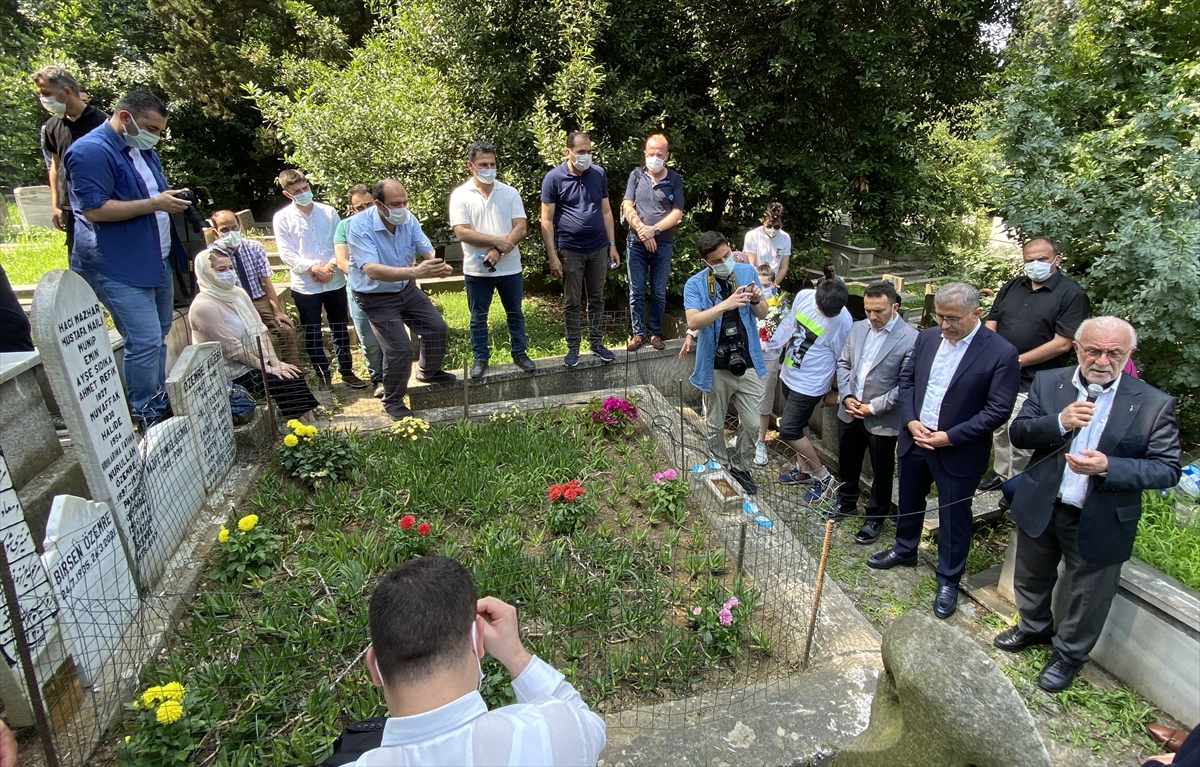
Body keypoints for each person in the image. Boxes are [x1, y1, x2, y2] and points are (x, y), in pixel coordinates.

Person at [995, 316, 1180, 692]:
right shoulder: (1050, 383)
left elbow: (1167, 469)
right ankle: (1032, 627)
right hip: (1044, 501)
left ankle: (1068, 656)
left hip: (1099, 515)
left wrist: (1110, 466)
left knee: (1089, 595)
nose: (1101, 360)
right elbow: (1019, 433)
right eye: (1093, 350)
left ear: (1128, 354)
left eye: (1114, 353)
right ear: (1077, 348)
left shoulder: (1153, 403)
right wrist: (1059, 422)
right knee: (1031, 574)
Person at [355, 556, 606, 766]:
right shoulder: (551, 735)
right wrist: (516, 655)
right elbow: (588, 726)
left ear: (373, 667)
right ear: (477, 639)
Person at [867, 283, 1020, 619]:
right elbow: (907, 382)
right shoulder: (926, 338)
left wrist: (950, 437)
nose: (946, 325)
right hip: (916, 437)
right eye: (940, 317)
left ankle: (949, 577)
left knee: (953, 515)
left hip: (958, 448)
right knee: (908, 498)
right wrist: (909, 422)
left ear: (976, 313)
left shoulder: (1000, 352)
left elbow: (997, 410)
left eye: (954, 319)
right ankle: (905, 548)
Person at [63, 89, 193, 427]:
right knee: (144, 339)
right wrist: (155, 204)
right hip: (117, 265)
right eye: (151, 127)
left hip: (156, 257)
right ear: (125, 117)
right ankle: (145, 410)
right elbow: (93, 209)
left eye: (161, 131)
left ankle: (156, 396)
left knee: (160, 334)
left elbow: (150, 193)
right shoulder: (90, 151)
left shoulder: (142, 149)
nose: (156, 136)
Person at [981, 236, 1089, 499]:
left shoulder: (1071, 295)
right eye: (1029, 260)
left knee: (1023, 436)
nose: (1035, 265)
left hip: (1037, 380)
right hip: (1000, 376)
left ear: (1056, 259)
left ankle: (1018, 488)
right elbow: (992, 320)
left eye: (1042, 259)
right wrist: (994, 356)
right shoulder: (1012, 286)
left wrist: (1014, 361)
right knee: (1000, 429)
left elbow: (1063, 343)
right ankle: (1001, 475)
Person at [346, 179, 456, 421]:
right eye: (396, 203)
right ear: (378, 204)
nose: (402, 208)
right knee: (399, 349)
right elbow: (372, 269)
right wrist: (417, 272)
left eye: (405, 202)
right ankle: (392, 401)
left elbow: (426, 248)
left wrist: (437, 264)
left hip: (405, 288)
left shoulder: (408, 218)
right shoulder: (357, 226)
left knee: (435, 327)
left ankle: (428, 371)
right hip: (374, 295)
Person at [683, 231, 769, 495]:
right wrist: (725, 304)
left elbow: (763, 312)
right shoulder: (695, 284)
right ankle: (719, 463)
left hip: (748, 360)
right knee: (715, 421)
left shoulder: (746, 272)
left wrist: (755, 299)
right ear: (706, 262)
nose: (725, 261)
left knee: (753, 423)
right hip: (715, 365)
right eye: (717, 260)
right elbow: (693, 321)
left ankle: (741, 466)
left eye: (727, 255)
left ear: (731, 249)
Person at [188, 249, 319, 421]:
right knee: (280, 380)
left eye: (230, 268)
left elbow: (259, 329)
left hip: (254, 361)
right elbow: (233, 350)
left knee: (292, 372)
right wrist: (267, 368)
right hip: (229, 371)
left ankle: (312, 424)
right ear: (206, 272)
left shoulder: (238, 293)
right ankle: (302, 428)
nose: (228, 273)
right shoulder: (203, 306)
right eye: (221, 270)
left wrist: (275, 361)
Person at [834, 282, 919, 544]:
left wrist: (872, 407)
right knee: (847, 461)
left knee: (881, 470)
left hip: (882, 417)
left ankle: (875, 517)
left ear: (895, 307)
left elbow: (905, 383)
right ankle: (846, 501)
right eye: (868, 310)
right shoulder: (858, 328)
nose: (872, 316)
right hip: (850, 409)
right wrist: (846, 396)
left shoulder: (911, 338)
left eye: (878, 311)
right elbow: (844, 363)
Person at [449, 141, 536, 379]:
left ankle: (520, 353)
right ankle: (480, 358)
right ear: (471, 166)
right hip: (477, 271)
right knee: (478, 317)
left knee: (515, 313)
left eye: (492, 164)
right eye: (483, 165)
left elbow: (521, 227)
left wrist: (499, 250)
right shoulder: (460, 196)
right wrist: (497, 241)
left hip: (510, 268)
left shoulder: (509, 192)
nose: (489, 169)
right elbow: (462, 232)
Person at [272, 169, 363, 388]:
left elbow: (340, 242)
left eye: (305, 188)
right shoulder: (282, 218)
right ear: (287, 194)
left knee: (339, 327)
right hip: (305, 285)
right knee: (312, 332)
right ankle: (324, 376)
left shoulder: (328, 212)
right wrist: (312, 267)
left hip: (334, 279)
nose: (303, 193)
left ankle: (347, 371)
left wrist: (331, 265)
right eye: (297, 191)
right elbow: (287, 253)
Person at [540, 131, 620, 367]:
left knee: (596, 298)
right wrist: (552, 255)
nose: (586, 156)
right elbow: (546, 220)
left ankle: (596, 343)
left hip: (598, 248)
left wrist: (612, 244)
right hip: (570, 250)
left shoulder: (598, 174)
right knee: (572, 301)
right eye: (581, 152)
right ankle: (573, 347)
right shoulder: (554, 178)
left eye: (589, 151)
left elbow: (606, 211)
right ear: (568, 152)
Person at [772, 279, 853, 503]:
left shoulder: (843, 322)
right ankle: (803, 468)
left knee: (788, 429)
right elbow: (791, 324)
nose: (827, 316)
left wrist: (836, 390)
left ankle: (822, 476)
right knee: (800, 425)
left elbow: (844, 359)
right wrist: (774, 342)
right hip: (790, 371)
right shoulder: (804, 296)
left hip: (811, 383)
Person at [208, 210, 301, 368]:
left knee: (285, 329)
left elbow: (265, 281)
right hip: (232, 302)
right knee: (246, 337)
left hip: (258, 299)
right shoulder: (212, 254)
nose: (231, 233)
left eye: (234, 227)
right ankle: (263, 375)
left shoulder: (254, 247)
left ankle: (292, 372)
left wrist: (277, 311)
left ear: (240, 227)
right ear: (215, 232)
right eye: (225, 230)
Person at [31, 65, 107, 257]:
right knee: (79, 263)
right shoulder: (51, 126)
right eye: (40, 95)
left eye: (46, 93)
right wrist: (56, 205)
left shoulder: (103, 123)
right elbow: (55, 166)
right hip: (70, 209)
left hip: (102, 205)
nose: (43, 99)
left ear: (66, 92)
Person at [622, 133, 685, 352]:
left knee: (658, 291)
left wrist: (654, 230)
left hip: (664, 244)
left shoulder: (674, 179)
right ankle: (638, 333)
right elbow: (627, 205)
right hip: (636, 243)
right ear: (645, 154)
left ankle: (655, 332)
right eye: (651, 153)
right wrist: (642, 231)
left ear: (667, 155)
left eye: (659, 154)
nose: (655, 157)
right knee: (636, 291)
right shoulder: (636, 175)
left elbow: (677, 212)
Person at [334, 185, 385, 398]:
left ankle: (394, 376)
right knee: (368, 340)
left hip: (387, 289)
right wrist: (363, 276)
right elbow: (341, 260)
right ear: (351, 209)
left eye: (368, 205)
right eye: (358, 207)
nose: (364, 210)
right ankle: (378, 379)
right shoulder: (344, 226)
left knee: (390, 336)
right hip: (358, 291)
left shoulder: (387, 222)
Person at [752, 263, 783, 466]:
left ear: (773, 283)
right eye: (759, 284)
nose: (763, 288)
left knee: (764, 400)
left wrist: (772, 336)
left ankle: (760, 441)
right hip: (751, 354)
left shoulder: (780, 304)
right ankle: (745, 433)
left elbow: (785, 331)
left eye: (766, 284)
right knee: (746, 397)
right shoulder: (751, 298)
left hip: (770, 356)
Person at [741, 203, 791, 287]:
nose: (772, 229)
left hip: (773, 283)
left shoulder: (785, 238)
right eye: (769, 226)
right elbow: (751, 265)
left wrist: (774, 284)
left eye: (776, 227)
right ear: (763, 221)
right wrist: (760, 285)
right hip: (754, 282)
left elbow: (783, 267)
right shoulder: (752, 235)